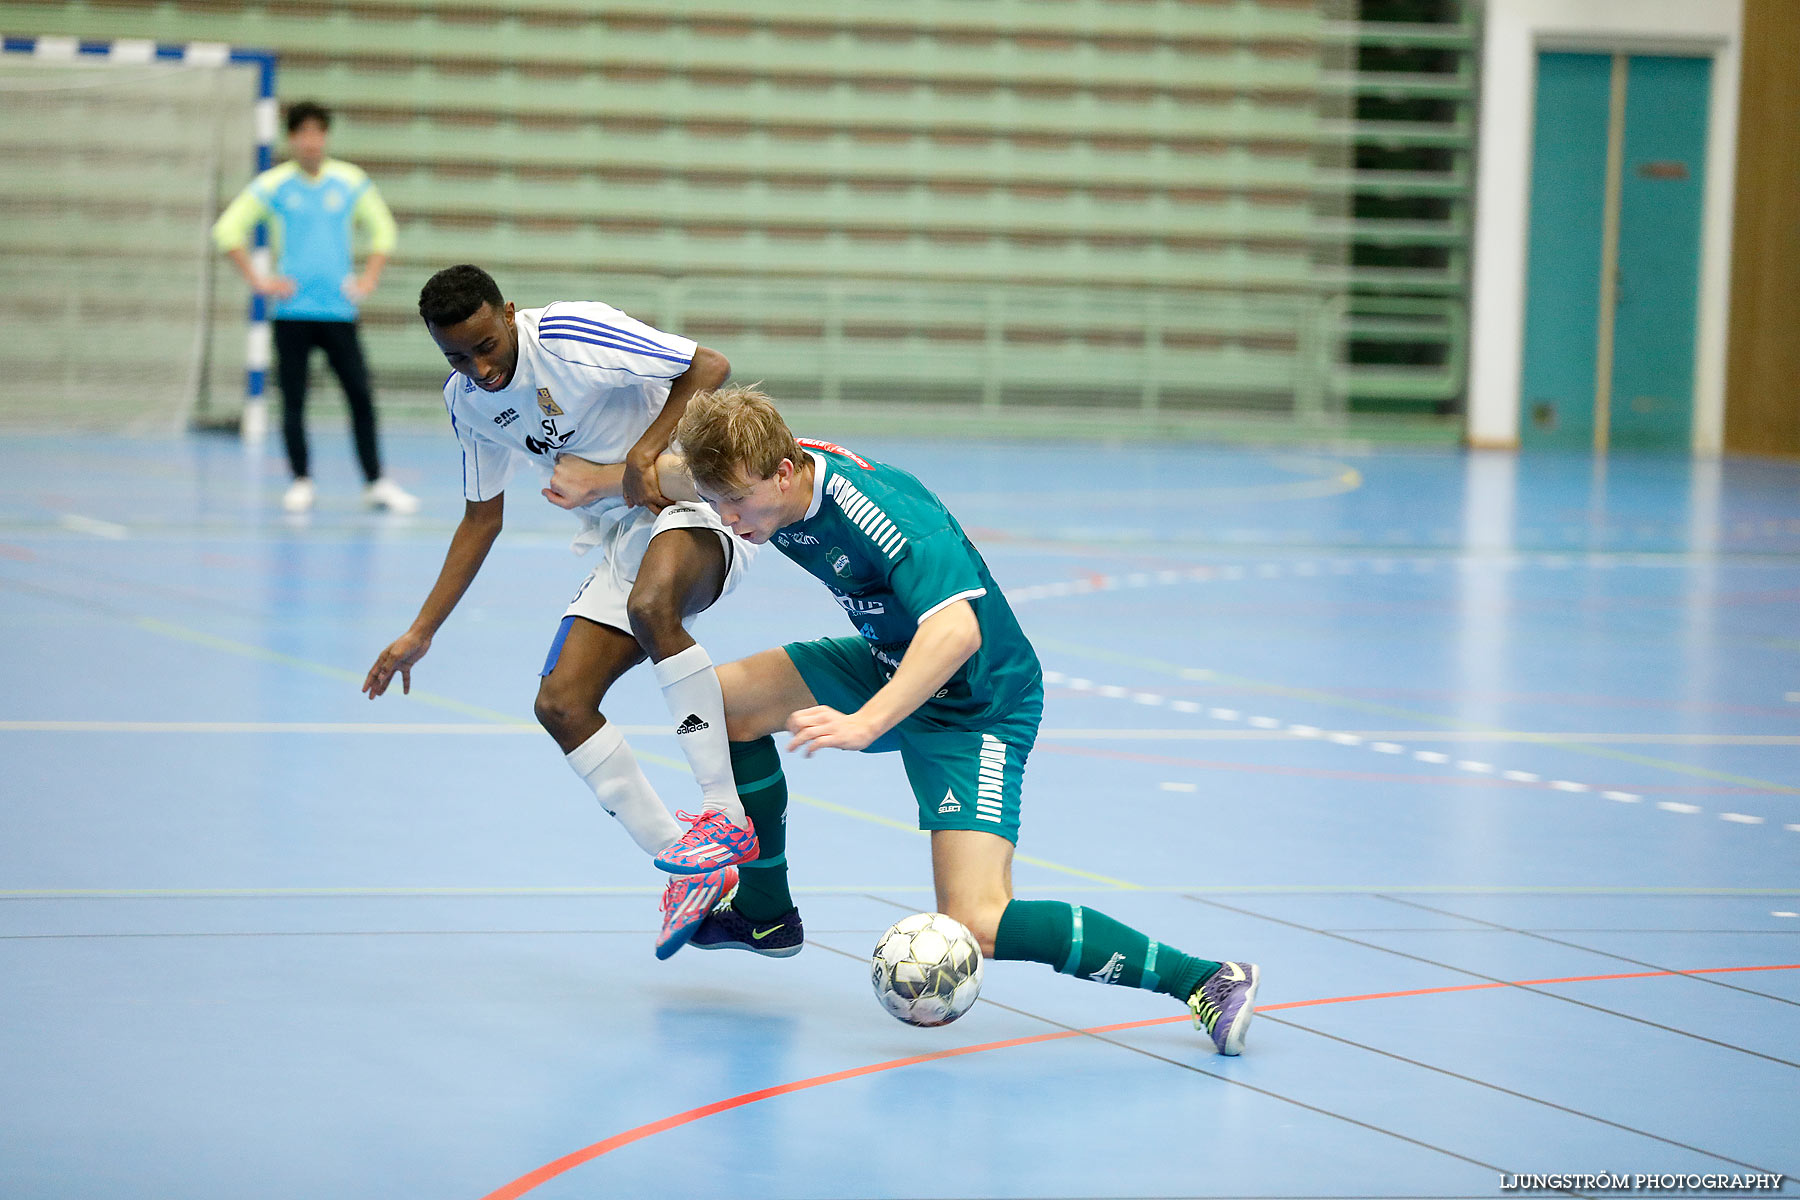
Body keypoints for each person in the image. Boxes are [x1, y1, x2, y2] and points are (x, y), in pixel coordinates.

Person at [544, 385, 1263, 1055]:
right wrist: (600, 481)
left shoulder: (879, 514)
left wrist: (867, 724)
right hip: (887, 658)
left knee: (978, 921)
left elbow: (957, 634)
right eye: (719, 501)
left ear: (787, 472)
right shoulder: (758, 482)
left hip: (974, 705)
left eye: (737, 503)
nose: (728, 521)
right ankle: (765, 915)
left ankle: (1204, 979)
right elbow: (673, 479)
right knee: (724, 702)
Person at [361, 265, 764, 958]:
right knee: (561, 703)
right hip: (626, 535)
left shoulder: (571, 333)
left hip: (699, 504)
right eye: (457, 356)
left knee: (652, 604)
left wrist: (642, 453)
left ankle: (725, 813)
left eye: (486, 345)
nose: (479, 367)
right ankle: (687, 867)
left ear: (508, 314)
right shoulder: (468, 403)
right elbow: (481, 518)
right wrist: (420, 631)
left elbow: (709, 365)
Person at [212, 100, 418, 514]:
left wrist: (368, 278)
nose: (310, 141)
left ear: (325, 136)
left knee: (360, 396)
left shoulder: (349, 181)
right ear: (291, 138)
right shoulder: (273, 185)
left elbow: (384, 230)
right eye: (302, 133)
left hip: (339, 312)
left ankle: (375, 481)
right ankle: (301, 480)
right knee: (293, 400)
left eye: (317, 132)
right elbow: (227, 230)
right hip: (292, 313)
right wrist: (259, 280)